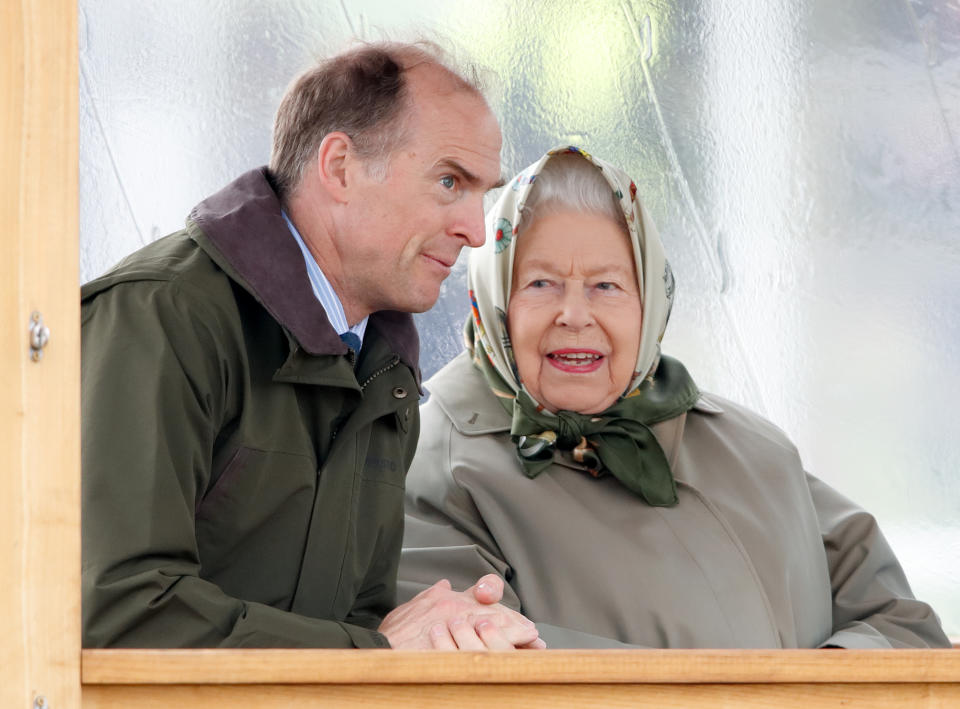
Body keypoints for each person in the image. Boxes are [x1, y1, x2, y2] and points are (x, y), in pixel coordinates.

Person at [81, 41, 545, 651]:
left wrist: (446, 637)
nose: (476, 229)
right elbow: (117, 613)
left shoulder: (384, 373)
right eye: (449, 180)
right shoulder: (160, 318)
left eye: (482, 192)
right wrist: (375, 656)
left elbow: (352, 629)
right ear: (340, 168)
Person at [399, 146, 951, 649]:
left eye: (606, 286)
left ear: (650, 306)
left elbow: (902, 626)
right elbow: (486, 671)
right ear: (493, 298)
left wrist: (822, 686)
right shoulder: (435, 469)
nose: (574, 314)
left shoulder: (752, 448)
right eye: (541, 283)